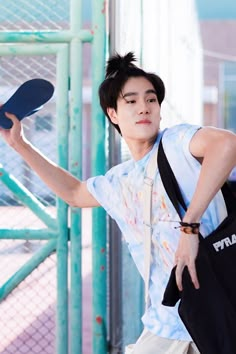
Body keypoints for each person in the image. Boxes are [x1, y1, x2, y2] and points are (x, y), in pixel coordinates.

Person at [1, 52, 236, 354]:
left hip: (219, 314)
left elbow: (227, 144)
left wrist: (189, 228)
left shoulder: (177, 143)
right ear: (113, 113)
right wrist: (20, 144)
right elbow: (73, 193)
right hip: (166, 324)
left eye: (151, 100)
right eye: (131, 101)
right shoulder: (119, 180)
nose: (144, 108)